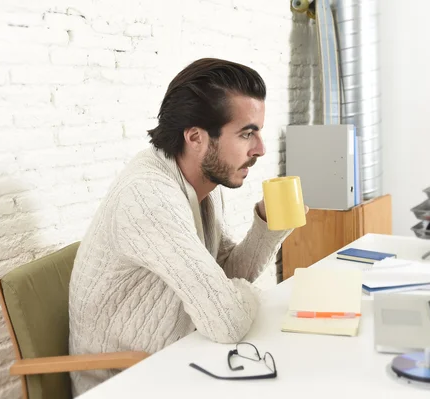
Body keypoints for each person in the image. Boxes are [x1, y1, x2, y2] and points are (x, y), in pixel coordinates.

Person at [68, 58, 302, 395]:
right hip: (126, 383)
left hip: (180, 360)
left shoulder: (202, 185)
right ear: (195, 137)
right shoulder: (149, 197)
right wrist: (245, 294)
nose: (260, 149)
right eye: (247, 133)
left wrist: (267, 224)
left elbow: (224, 273)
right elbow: (228, 321)